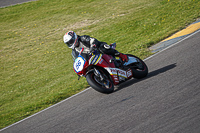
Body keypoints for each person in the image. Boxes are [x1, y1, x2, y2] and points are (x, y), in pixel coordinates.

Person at [63, 31, 128, 63]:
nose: (70, 43)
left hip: (98, 49)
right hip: (91, 57)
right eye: (68, 43)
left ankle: (121, 55)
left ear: (74, 37)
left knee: (103, 48)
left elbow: (93, 40)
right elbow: (77, 59)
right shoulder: (74, 51)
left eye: (71, 41)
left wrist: (93, 46)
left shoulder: (83, 38)